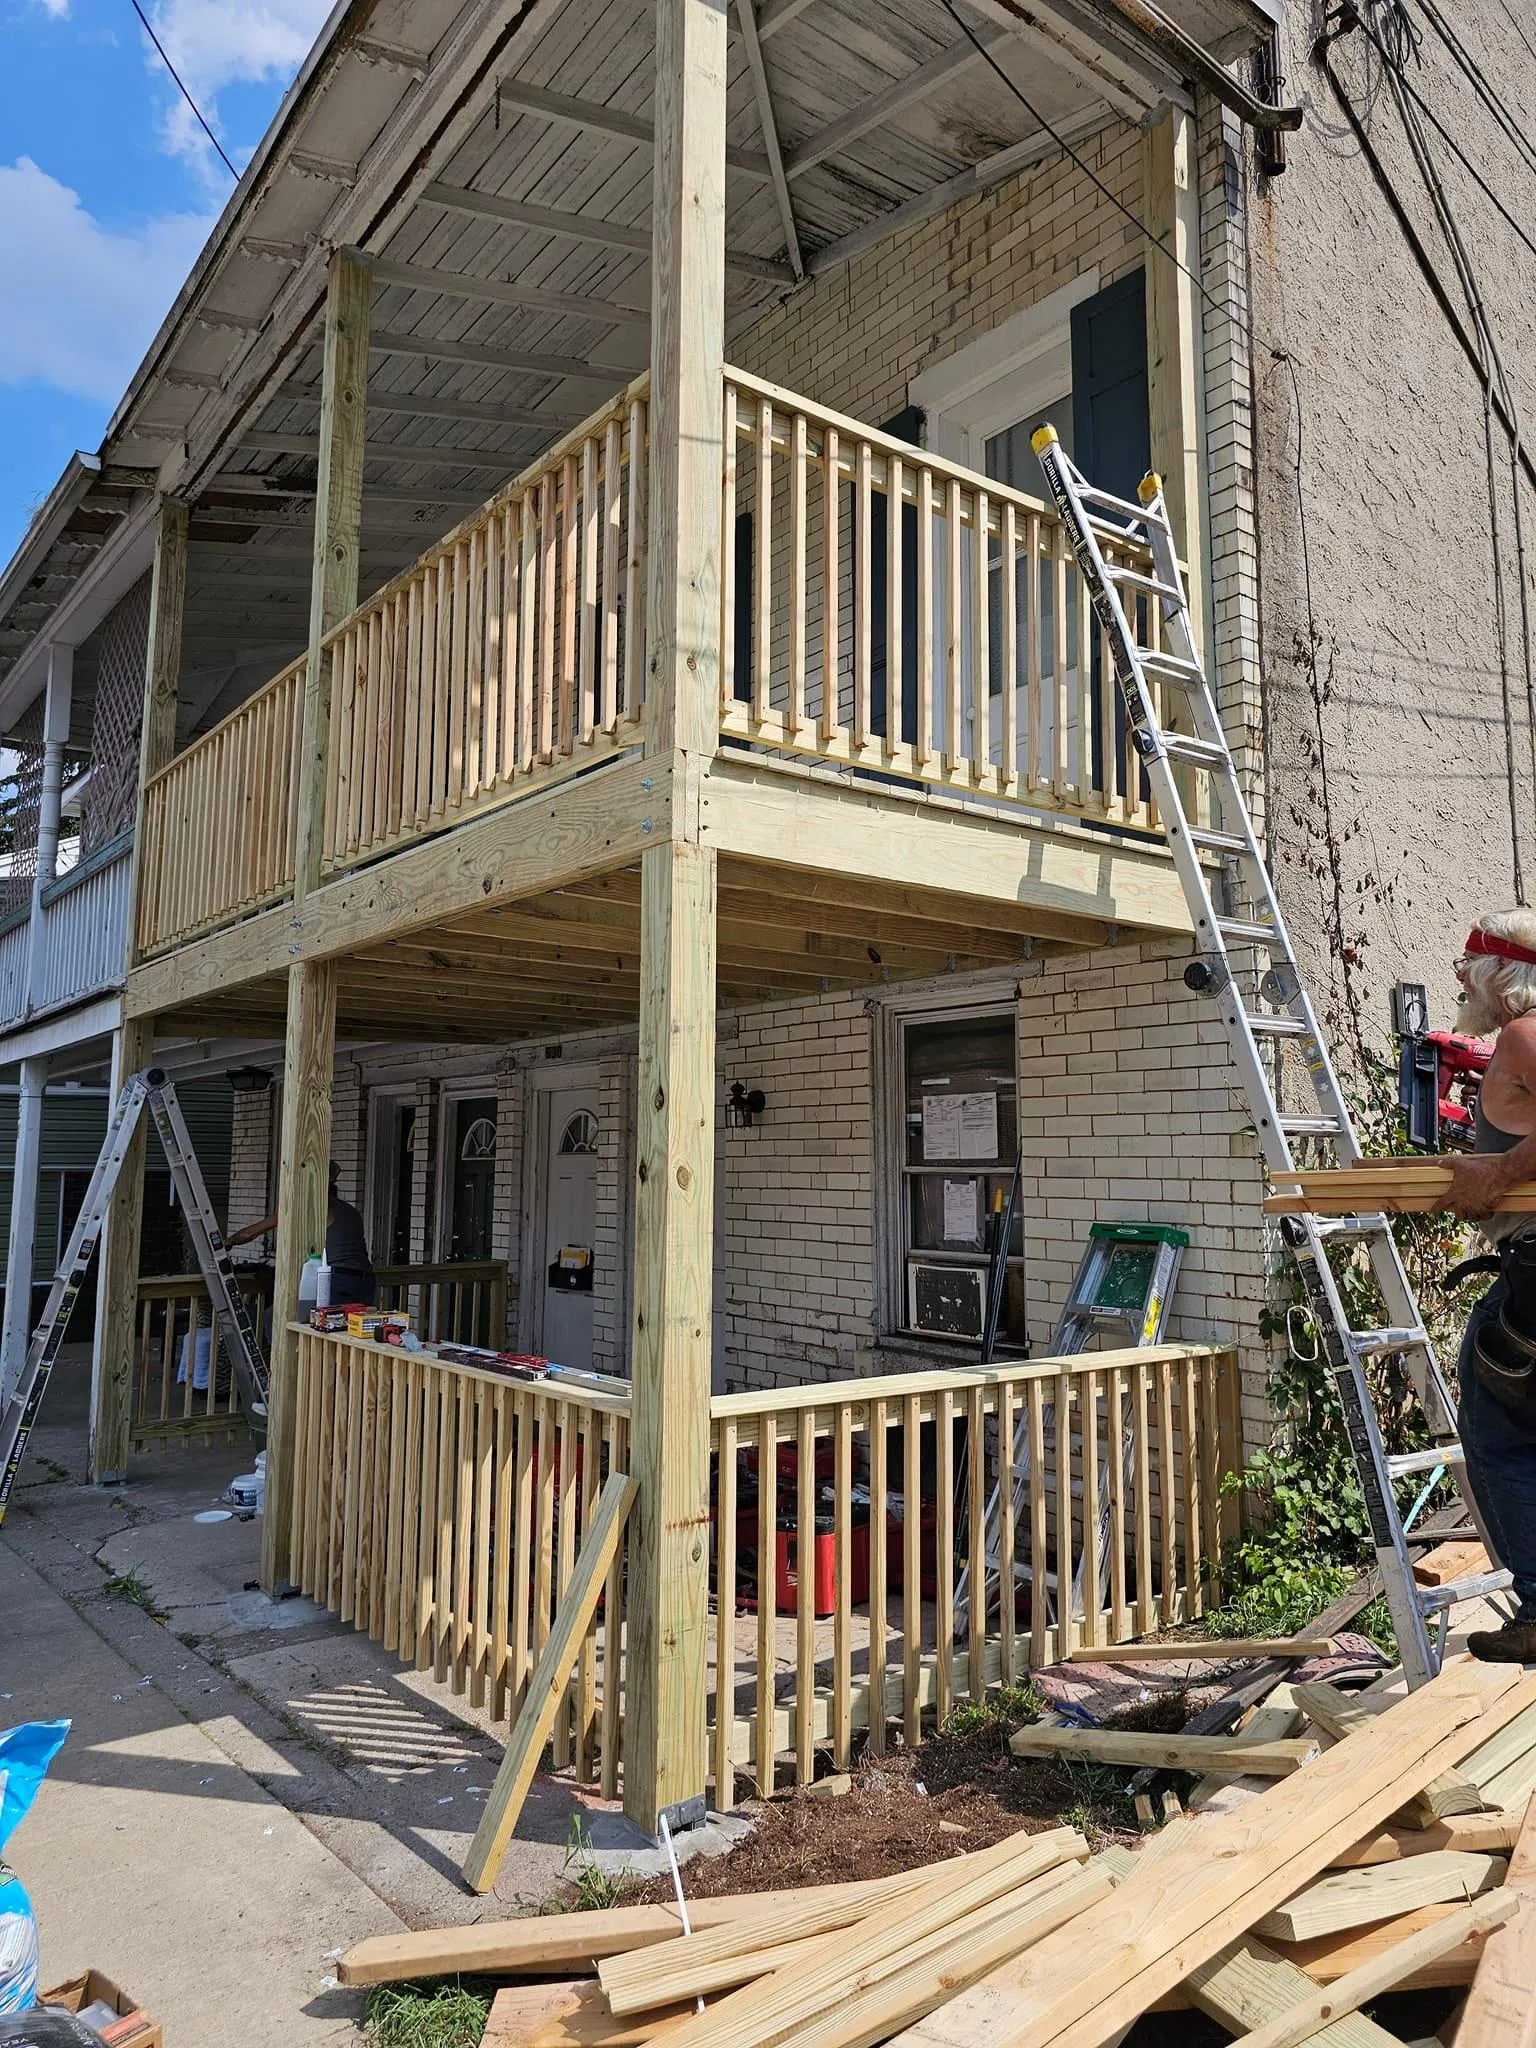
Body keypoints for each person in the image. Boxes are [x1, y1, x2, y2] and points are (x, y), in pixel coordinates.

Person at [1443, 911, 1536, 1661]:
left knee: (1498, 1436)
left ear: (1501, 980)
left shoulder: (1524, 1034)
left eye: (1469, 967)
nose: (1460, 980)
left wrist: (1499, 1173)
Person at [228, 1159, 377, 1307]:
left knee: (274, 1319)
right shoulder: (350, 1211)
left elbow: (248, 1234)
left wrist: (228, 1242)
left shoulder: (310, 1206)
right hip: (366, 1282)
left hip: (336, 1280)